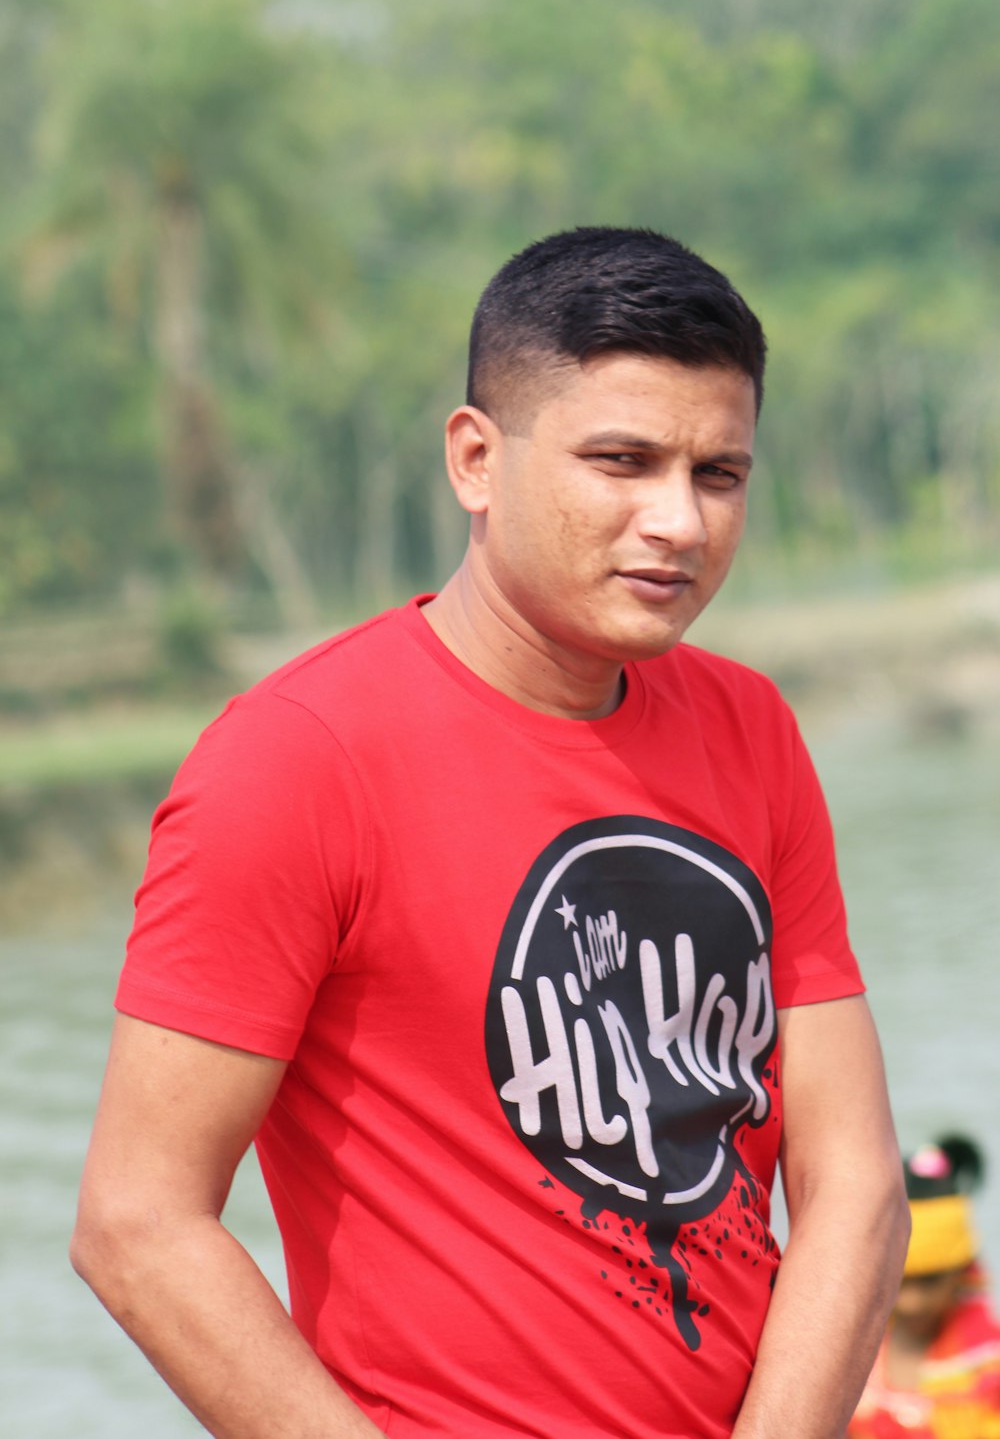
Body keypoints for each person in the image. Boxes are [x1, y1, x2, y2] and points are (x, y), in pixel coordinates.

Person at [72, 226, 910, 1439]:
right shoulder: (298, 762)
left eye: (717, 473)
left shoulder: (751, 729)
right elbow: (138, 1222)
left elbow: (852, 1182)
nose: (676, 519)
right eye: (621, 461)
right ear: (476, 458)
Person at [850, 1135, 1000, 1439]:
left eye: (931, 1280)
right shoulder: (848, 1355)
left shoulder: (991, 1370)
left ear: (962, 1272)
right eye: (898, 1280)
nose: (911, 1301)